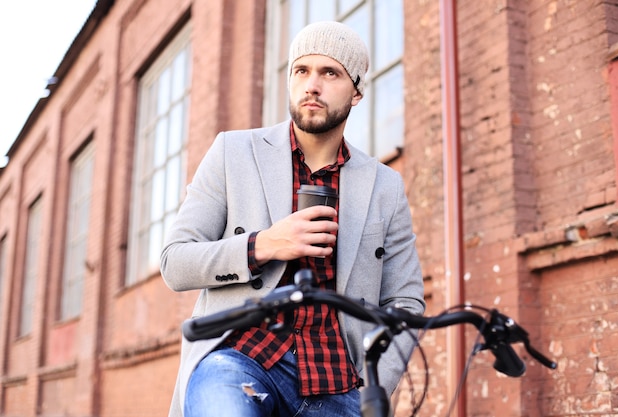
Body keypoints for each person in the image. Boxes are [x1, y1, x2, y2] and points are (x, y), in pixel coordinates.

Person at [160, 21, 425, 417]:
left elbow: (406, 302)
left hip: (337, 381)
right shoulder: (234, 152)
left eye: (329, 72)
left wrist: (374, 390)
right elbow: (175, 262)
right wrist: (262, 245)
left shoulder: (384, 186)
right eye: (301, 71)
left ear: (355, 92)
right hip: (241, 358)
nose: (311, 85)